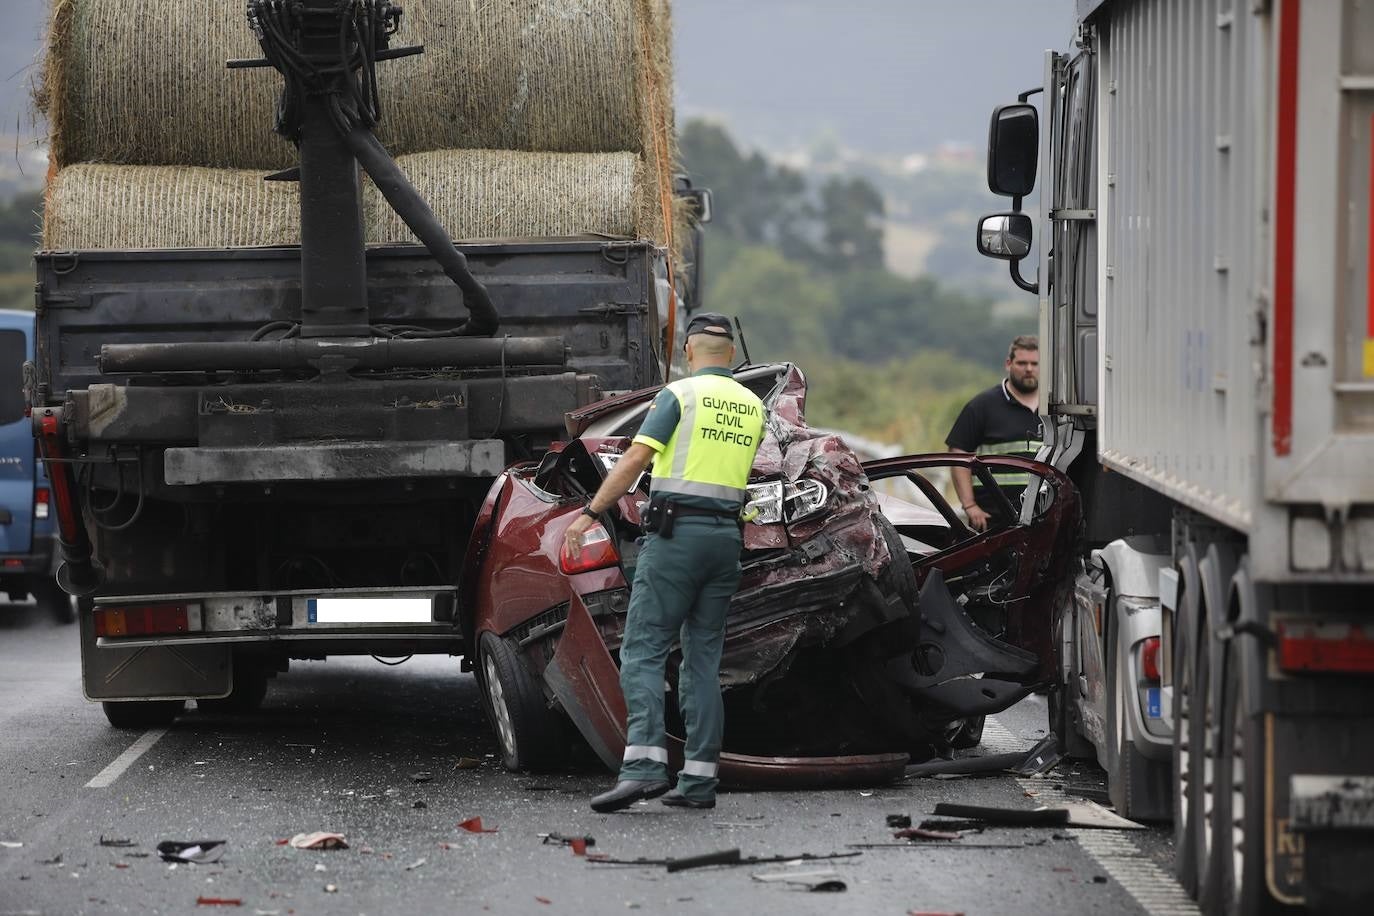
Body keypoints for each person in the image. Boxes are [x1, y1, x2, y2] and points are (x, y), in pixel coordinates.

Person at [565, 313, 765, 813]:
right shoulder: (753, 406)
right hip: (726, 541)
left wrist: (591, 513)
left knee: (643, 650)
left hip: (677, 538)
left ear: (689, 351)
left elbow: (634, 459)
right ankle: (698, 782)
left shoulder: (680, 395)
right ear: (731, 354)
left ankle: (643, 769)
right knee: (703, 663)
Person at [945, 335, 1043, 533]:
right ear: (1008, 364)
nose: (1029, 369)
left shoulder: (1055, 408)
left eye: (1035, 363)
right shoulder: (982, 406)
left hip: (1044, 518)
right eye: (1022, 363)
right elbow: (958, 454)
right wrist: (970, 506)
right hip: (994, 522)